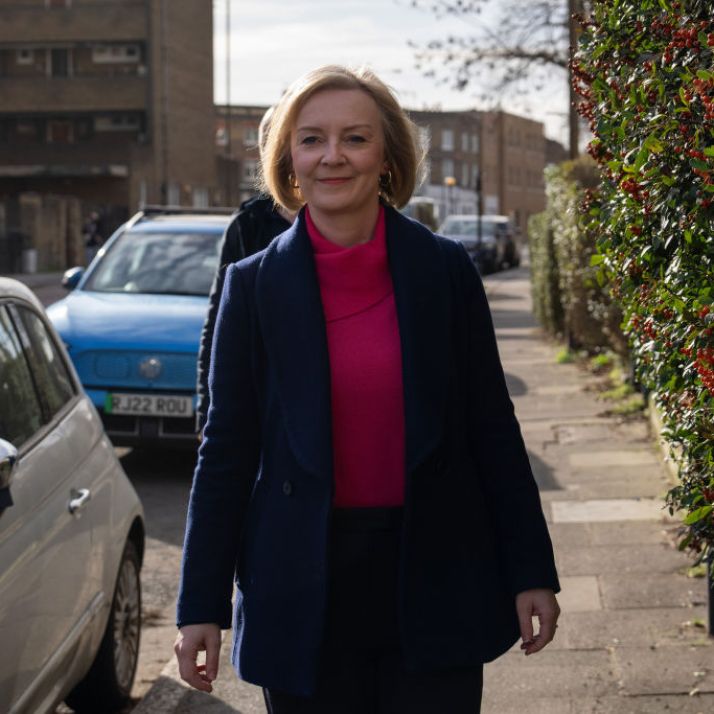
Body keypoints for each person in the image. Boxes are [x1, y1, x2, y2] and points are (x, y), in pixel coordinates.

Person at [175, 65, 560, 713]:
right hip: (300, 584)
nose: (333, 156)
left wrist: (530, 571)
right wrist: (200, 605)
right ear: (289, 160)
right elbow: (226, 454)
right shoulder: (253, 285)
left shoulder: (445, 271)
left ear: (386, 158)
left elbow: (492, 428)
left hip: (435, 573)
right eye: (312, 139)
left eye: (355, 138)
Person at [196, 107, 295, 434]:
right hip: (259, 402)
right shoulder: (247, 225)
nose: (275, 151)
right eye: (267, 142)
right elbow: (218, 322)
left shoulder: (336, 221)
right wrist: (206, 410)